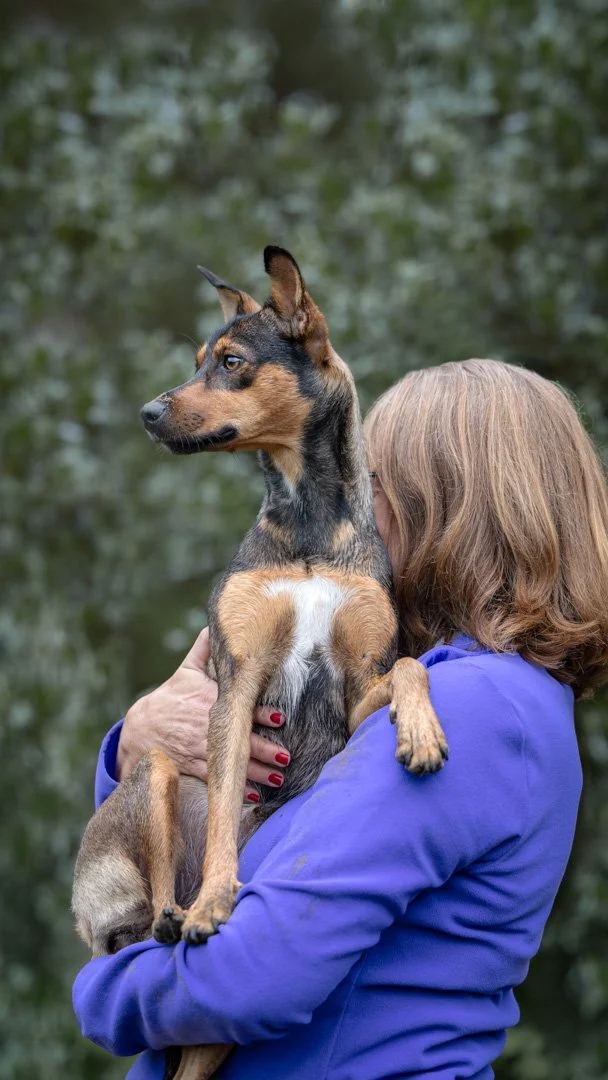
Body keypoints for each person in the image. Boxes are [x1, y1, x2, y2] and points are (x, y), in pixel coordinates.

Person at [73, 359, 608, 1080]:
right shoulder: (472, 694)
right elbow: (241, 837)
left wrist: (107, 988)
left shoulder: (471, 707)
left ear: (447, 508)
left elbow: (252, 973)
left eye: (373, 485)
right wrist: (139, 743)